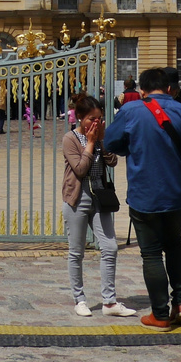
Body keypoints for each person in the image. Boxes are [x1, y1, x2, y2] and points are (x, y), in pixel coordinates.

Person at [103, 67, 181, 331]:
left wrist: (133, 149)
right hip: (175, 193)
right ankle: (180, 303)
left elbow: (111, 142)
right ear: (170, 89)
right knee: (174, 246)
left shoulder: (131, 110)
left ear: (142, 91)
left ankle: (159, 315)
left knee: (151, 254)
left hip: (143, 192)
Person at [61, 92, 137, 319]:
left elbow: (112, 160)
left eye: (99, 119)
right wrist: (91, 143)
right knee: (77, 252)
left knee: (110, 247)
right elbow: (80, 169)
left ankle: (110, 301)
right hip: (77, 198)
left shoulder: (100, 137)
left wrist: (102, 142)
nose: (96, 123)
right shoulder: (70, 139)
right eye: (91, 119)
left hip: (99, 197)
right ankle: (80, 299)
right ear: (79, 118)